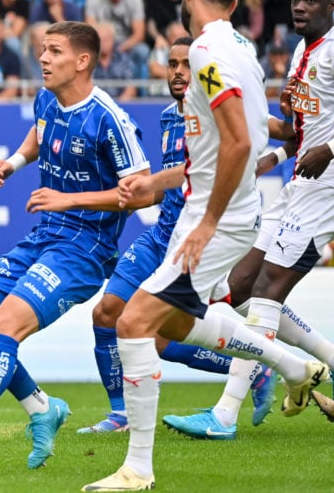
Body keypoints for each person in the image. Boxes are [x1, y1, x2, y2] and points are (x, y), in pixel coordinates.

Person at [82, 0, 329, 492]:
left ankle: (137, 470)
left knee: (131, 323)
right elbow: (224, 145)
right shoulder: (240, 48)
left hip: (217, 218)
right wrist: (158, 182)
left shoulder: (204, 53)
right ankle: (292, 366)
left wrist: (209, 222)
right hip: (221, 209)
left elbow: (240, 143)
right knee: (171, 323)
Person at [0, 21, 151, 473]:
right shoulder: (46, 99)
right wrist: (12, 162)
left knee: (4, 324)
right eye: (42, 50)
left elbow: (142, 190)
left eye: (54, 51)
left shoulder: (109, 118)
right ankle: (42, 408)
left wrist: (69, 198)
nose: (43, 58)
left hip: (85, 249)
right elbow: (40, 133)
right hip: (44, 237)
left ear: (83, 61)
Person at [163, 0, 334, 440]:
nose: (300, 6)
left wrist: (331, 148)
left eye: (312, 0)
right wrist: (276, 154)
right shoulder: (303, 49)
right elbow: (306, 133)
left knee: (267, 292)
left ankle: (225, 414)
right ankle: (311, 368)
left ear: (332, 6)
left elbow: (324, 140)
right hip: (299, 183)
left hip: (328, 189)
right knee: (238, 287)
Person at [76, 36, 273, 433]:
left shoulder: (220, 115)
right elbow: (173, 181)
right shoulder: (169, 116)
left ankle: (256, 367)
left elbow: (259, 139)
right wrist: (138, 192)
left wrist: (277, 155)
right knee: (107, 312)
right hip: (160, 235)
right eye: (172, 64)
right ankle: (121, 413)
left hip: (199, 235)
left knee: (169, 334)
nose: (179, 72)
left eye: (186, 64)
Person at [84, 0, 148, 67]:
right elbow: (90, 30)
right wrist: (105, 46)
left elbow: (139, 34)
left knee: (142, 50)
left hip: (126, 43)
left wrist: (120, 48)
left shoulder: (135, 0)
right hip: (102, 42)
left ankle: (135, 82)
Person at [91, 22, 139, 101]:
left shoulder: (123, 59)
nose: (103, 42)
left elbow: (131, 89)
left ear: (113, 39)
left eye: (106, 39)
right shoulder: (89, 62)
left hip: (120, 106)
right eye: (100, 39)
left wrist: (116, 107)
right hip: (95, 107)